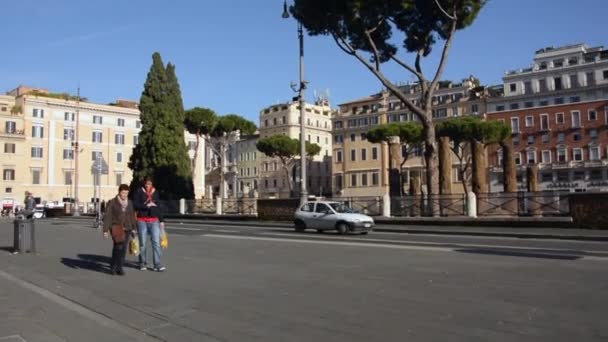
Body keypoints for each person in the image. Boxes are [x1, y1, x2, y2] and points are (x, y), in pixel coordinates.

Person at [102, 184, 137, 276]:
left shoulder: (129, 202)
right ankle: (113, 266)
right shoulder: (113, 202)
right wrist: (105, 230)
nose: (124, 195)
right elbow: (108, 216)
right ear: (119, 192)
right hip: (116, 227)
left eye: (126, 193)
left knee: (123, 248)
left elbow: (132, 216)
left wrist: (134, 228)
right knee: (118, 246)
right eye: (123, 193)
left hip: (127, 228)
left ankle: (120, 267)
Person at [134, 177, 166, 272]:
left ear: (152, 184)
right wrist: (145, 206)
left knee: (156, 242)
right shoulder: (139, 191)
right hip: (142, 220)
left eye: (149, 184)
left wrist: (161, 220)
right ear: (144, 183)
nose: (148, 185)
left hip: (154, 220)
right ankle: (142, 263)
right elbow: (135, 205)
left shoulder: (155, 192)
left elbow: (158, 206)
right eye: (146, 184)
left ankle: (157, 264)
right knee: (143, 243)